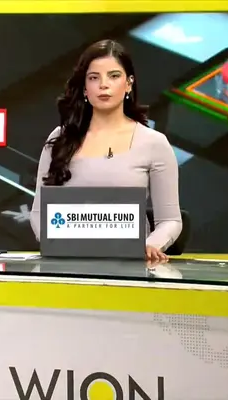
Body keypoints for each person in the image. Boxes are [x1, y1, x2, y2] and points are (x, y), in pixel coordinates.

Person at [30, 39, 182, 262]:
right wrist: (57, 245)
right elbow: (38, 214)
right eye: (94, 78)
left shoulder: (154, 143)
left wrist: (150, 245)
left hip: (130, 266)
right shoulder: (61, 138)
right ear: (84, 87)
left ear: (129, 84)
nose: (103, 85)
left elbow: (170, 220)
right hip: (68, 264)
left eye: (114, 76)